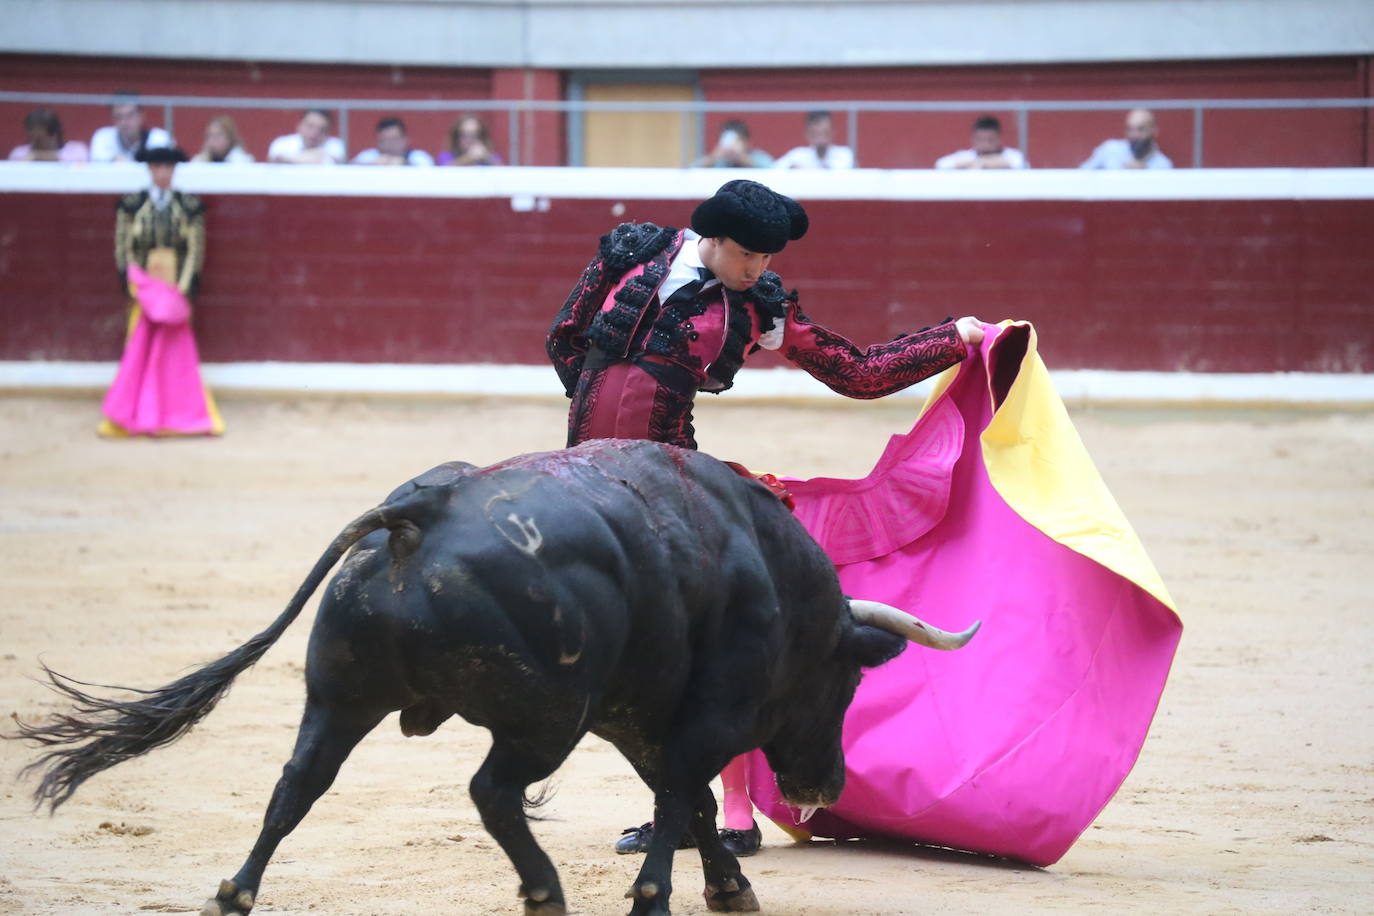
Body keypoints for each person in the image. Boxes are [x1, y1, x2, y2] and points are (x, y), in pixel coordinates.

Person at [547, 180, 983, 856]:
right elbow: (565, 340)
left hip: (673, 487)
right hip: (583, 480)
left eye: (766, 260)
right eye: (748, 256)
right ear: (712, 239)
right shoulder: (630, 254)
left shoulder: (759, 308)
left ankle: (735, 816)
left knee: (719, 633)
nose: (758, 271)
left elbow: (855, 371)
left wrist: (952, 341)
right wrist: (602, 416)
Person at [100, 146, 222, 438]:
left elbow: (195, 249)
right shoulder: (131, 205)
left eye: (168, 168)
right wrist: (135, 287)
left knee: (175, 353)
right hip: (143, 289)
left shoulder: (190, 206)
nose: (163, 173)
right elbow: (124, 248)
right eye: (158, 167)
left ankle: (174, 412)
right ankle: (135, 414)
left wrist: (181, 292)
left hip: (174, 289)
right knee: (138, 349)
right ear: (150, 170)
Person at [89, 91, 173, 163]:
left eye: (130, 116)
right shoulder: (103, 137)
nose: (124, 122)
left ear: (141, 115)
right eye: (118, 117)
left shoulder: (159, 138)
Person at [1080, 108, 1173, 169]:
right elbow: (1082, 175)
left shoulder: (1163, 165)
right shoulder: (1110, 150)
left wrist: (1145, 174)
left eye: (1141, 129)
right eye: (1130, 129)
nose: (1135, 135)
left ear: (1154, 131)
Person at [935, 115, 1028, 170]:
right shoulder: (966, 156)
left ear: (999, 139)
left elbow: (1021, 164)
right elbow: (941, 165)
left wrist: (982, 164)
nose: (985, 144)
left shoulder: (1012, 155)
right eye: (980, 140)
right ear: (973, 139)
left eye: (990, 140)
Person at [773, 110, 854, 170]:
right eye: (815, 134)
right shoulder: (797, 154)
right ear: (807, 134)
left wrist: (802, 169)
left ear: (832, 132)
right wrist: (791, 167)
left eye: (825, 132)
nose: (821, 138)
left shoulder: (844, 154)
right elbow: (774, 169)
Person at [8, 108, 89, 162]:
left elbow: (74, 166)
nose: (33, 143)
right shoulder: (19, 153)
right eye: (30, 138)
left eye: (38, 139)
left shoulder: (76, 150)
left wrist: (37, 156)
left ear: (54, 136)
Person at [268, 109, 346, 164]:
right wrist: (319, 155)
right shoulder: (282, 143)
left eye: (322, 129)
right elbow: (274, 161)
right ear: (299, 125)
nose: (314, 133)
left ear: (328, 132)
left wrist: (289, 159)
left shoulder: (336, 145)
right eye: (310, 126)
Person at [351, 117, 435, 166]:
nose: (389, 145)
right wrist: (371, 165)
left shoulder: (419, 157)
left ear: (405, 139)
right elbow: (349, 168)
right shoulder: (369, 156)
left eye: (394, 139)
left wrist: (404, 164)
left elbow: (428, 171)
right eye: (385, 140)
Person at [694, 119, 774, 168]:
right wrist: (713, 157)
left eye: (737, 141)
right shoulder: (719, 161)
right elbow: (692, 168)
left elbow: (771, 168)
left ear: (746, 142)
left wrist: (741, 158)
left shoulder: (758, 156)